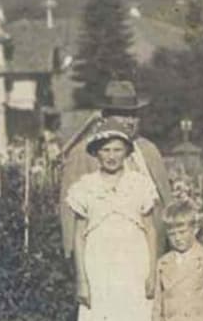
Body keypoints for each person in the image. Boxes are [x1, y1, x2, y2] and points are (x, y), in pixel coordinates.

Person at [67, 124, 159, 321]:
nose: (111, 156)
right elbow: (79, 237)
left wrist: (151, 275)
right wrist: (82, 278)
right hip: (101, 274)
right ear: (96, 154)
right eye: (105, 150)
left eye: (117, 149)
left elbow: (150, 231)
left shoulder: (139, 185)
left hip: (133, 273)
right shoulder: (85, 188)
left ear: (127, 153)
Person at [60, 80, 172, 259]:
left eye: (134, 115)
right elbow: (69, 211)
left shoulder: (148, 150)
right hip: (106, 254)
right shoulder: (84, 153)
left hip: (152, 252)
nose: (130, 121)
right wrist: (72, 254)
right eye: (122, 115)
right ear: (104, 117)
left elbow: (167, 201)